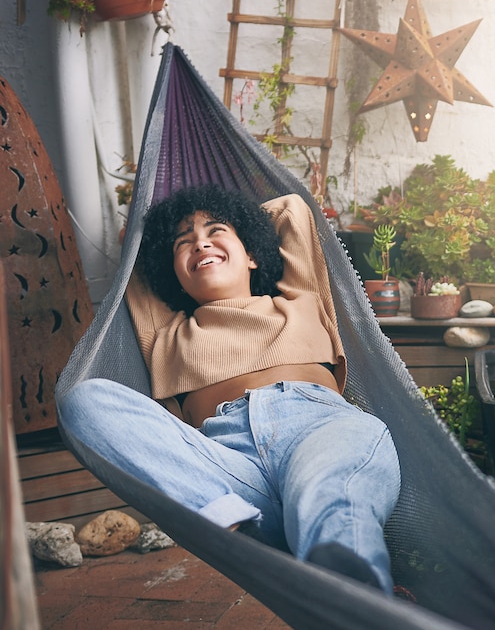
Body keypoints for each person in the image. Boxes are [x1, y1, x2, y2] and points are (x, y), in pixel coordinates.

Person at [58, 185, 401, 594]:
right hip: (228, 467)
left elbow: (291, 211)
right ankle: (235, 529)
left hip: (320, 429)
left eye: (216, 231)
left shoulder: (299, 299)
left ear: (254, 254)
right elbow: (134, 251)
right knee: (83, 400)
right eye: (183, 243)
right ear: (174, 277)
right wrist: (197, 232)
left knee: (327, 491)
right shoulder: (166, 333)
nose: (200, 242)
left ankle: (348, 586)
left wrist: (225, 222)